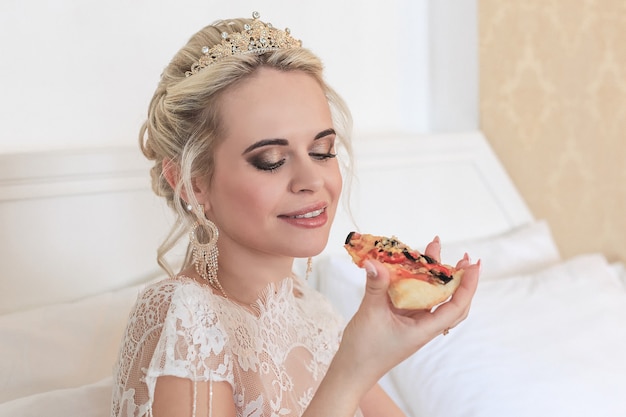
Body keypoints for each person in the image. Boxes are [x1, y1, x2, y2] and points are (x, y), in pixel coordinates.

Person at [111, 12, 479, 417]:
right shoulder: (185, 317)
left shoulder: (313, 312)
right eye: (270, 160)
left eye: (322, 151)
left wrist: (389, 339)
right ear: (192, 183)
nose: (311, 179)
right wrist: (353, 370)